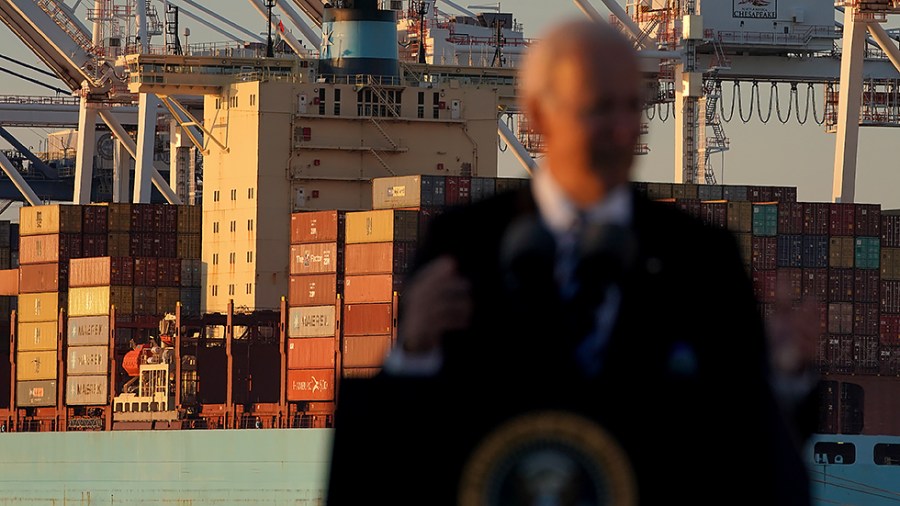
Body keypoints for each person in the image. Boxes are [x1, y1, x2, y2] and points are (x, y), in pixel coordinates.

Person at [327, 19, 816, 506]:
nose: (624, 128)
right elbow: (391, 464)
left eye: (633, 106)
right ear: (538, 116)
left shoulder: (702, 257)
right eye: (601, 108)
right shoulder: (463, 243)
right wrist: (412, 355)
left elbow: (753, 456)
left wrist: (787, 382)